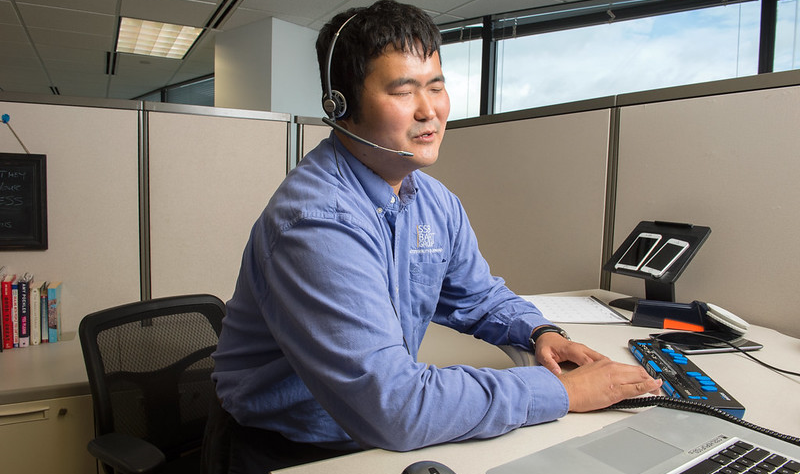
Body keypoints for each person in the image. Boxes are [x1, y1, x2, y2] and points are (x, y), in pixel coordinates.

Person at [204, 1, 661, 472]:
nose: (430, 111)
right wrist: (564, 392)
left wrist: (538, 331)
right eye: (403, 91)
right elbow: (395, 406)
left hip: (374, 435)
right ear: (339, 105)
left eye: (436, 86)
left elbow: (479, 296)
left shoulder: (432, 201)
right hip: (293, 451)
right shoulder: (317, 222)